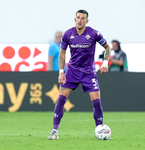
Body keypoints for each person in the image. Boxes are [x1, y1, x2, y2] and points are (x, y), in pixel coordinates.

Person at [48, 9, 111, 140]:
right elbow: (62, 54)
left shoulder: (94, 33)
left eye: (83, 18)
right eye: (78, 17)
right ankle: (54, 131)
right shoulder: (68, 34)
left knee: (97, 102)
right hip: (72, 71)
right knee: (61, 99)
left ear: (87, 21)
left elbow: (107, 47)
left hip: (89, 73)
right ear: (75, 19)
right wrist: (61, 72)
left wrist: (105, 63)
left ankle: (100, 130)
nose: (80, 20)